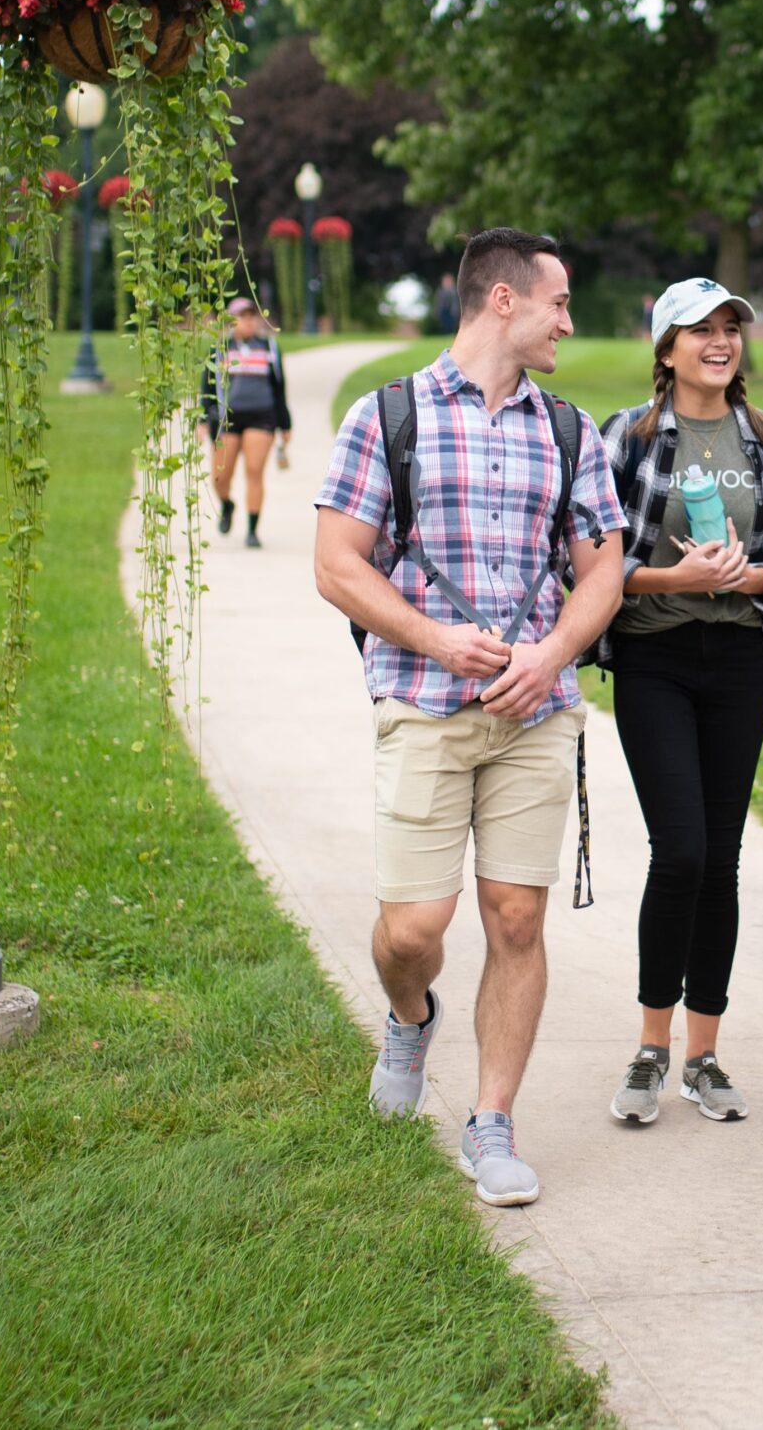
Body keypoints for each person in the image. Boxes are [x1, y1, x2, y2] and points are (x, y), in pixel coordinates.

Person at [312, 227, 627, 1208]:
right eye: (558, 303)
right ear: (501, 300)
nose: (568, 323)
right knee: (414, 926)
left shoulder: (569, 431)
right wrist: (437, 638)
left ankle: (491, 1121)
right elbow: (336, 562)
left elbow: (604, 570)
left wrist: (550, 655)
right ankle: (410, 1015)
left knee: (517, 915)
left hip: (536, 715)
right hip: (422, 699)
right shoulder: (387, 415)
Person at [595, 278, 763, 1128]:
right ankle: (650, 1048)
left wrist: (751, 574)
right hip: (653, 657)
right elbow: (591, 557)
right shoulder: (629, 437)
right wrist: (668, 577)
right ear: (666, 347)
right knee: (678, 849)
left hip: (739, 661)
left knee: (720, 858)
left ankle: (704, 1056)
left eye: (731, 329)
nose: (719, 342)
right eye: (700, 330)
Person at [201, 296, 290, 547]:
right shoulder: (220, 349)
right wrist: (202, 418)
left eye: (252, 316)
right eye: (243, 316)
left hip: (261, 415)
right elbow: (206, 386)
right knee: (220, 476)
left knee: (254, 471)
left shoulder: (269, 348)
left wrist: (285, 424)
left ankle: (252, 530)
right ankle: (227, 504)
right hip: (226, 418)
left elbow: (279, 387)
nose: (248, 321)